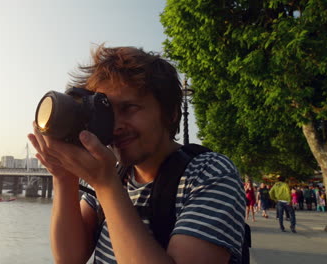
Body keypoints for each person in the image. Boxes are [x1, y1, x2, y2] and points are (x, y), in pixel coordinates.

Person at [28, 45, 246, 263]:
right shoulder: (115, 175)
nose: (115, 126)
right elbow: (69, 258)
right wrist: (64, 177)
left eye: (129, 108)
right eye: (107, 113)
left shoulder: (210, 174)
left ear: (170, 113)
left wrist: (106, 186)